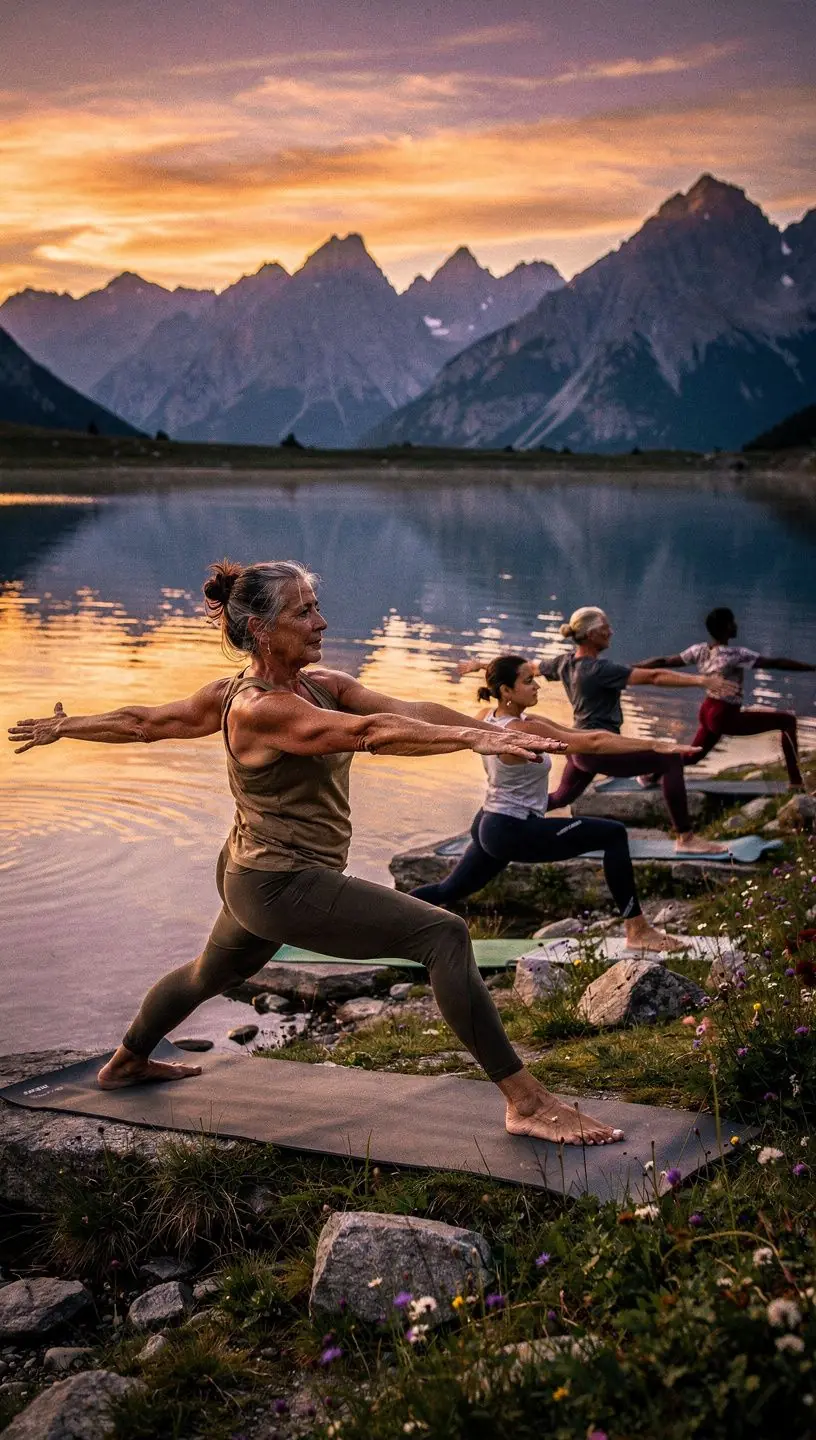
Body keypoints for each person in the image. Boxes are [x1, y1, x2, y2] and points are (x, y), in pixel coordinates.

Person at [10, 559, 623, 1147]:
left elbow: (401, 713)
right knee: (444, 936)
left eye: (317, 608)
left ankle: (126, 1063)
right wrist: (472, 737)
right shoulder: (256, 706)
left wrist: (68, 726)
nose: (322, 623)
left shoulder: (317, 685)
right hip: (280, 883)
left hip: (251, 872)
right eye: (304, 613)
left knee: (210, 974)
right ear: (260, 630)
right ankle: (527, 1102)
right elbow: (366, 734)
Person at [413, 655, 692, 951]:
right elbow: (593, 743)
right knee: (613, 834)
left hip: (489, 821)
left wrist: (483, 666)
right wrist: (655, 745)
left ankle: (386, 923)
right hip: (509, 829)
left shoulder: (488, 717)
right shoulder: (525, 731)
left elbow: (579, 734)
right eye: (528, 680)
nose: (537, 686)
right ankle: (637, 930)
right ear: (506, 691)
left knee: (450, 889)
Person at [458, 607, 738, 854]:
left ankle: (495, 823)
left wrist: (483, 666)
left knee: (561, 798)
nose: (611, 632)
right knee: (670, 759)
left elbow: (522, 668)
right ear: (591, 634)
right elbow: (653, 676)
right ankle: (686, 838)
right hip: (598, 746)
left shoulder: (564, 662)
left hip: (578, 748)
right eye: (605, 628)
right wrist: (701, 681)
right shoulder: (600, 669)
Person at [635, 607, 814, 789]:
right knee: (787, 721)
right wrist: (811, 668)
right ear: (727, 627)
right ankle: (796, 782)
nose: (736, 625)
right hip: (724, 715)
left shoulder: (699, 651)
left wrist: (631, 669)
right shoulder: (736, 655)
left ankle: (651, 773)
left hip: (707, 710)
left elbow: (664, 662)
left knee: (693, 755)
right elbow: (775, 663)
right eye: (733, 622)